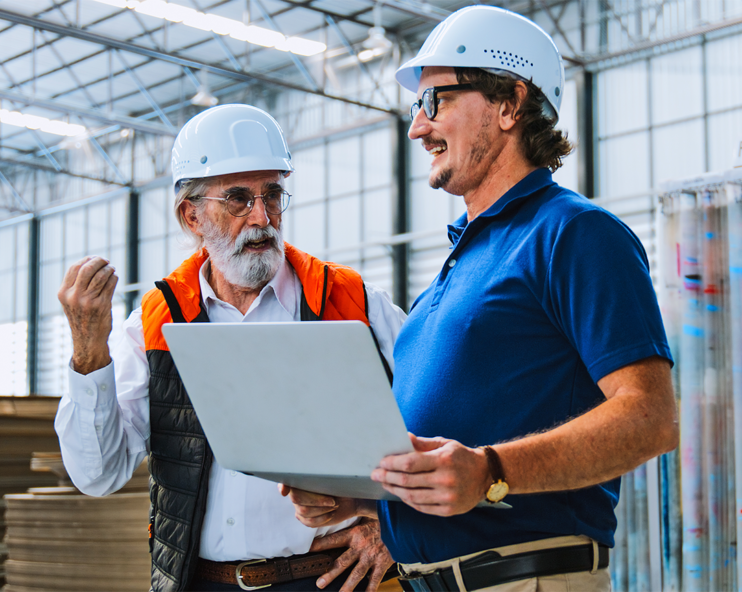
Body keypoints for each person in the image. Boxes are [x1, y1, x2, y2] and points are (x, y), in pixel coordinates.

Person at [283, 6, 678, 591]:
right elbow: (451, 464)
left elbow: (651, 417)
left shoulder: (573, 234)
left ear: (509, 104)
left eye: (434, 101)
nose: (417, 127)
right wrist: (365, 499)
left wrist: (492, 472)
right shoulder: (453, 268)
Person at [54, 104, 406, 592]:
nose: (262, 217)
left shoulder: (351, 299)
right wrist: (88, 351)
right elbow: (98, 475)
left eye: (273, 195)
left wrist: (392, 528)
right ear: (191, 215)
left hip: (330, 580)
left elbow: (442, 425)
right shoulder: (156, 322)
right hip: (200, 583)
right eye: (238, 199)